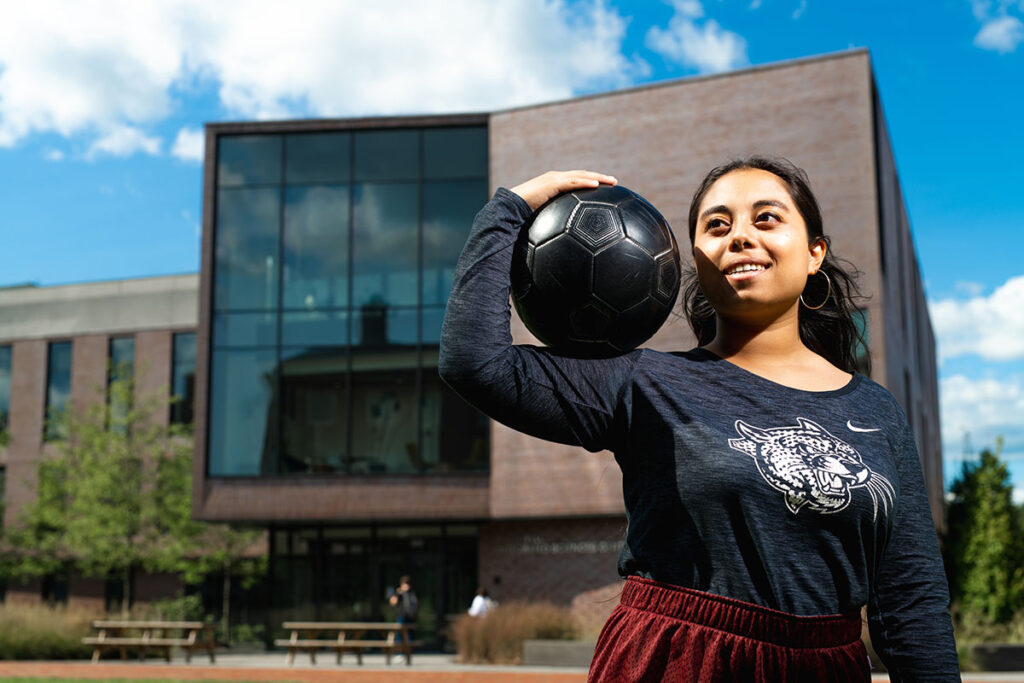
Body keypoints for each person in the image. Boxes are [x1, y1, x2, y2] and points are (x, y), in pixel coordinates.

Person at [438, 158, 960, 682]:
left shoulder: (876, 410)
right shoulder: (643, 381)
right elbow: (475, 363)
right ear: (692, 259)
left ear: (814, 254)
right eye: (717, 225)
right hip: (677, 662)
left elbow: (912, 599)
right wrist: (508, 210)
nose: (739, 237)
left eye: (766, 219)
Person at [388, 575, 418, 644]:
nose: (406, 586)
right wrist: (398, 594)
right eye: (405, 583)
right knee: (399, 634)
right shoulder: (398, 593)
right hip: (401, 616)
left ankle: (408, 651)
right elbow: (392, 602)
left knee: (410, 634)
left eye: (408, 584)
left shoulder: (412, 593)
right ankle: (400, 651)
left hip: (410, 617)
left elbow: (416, 604)